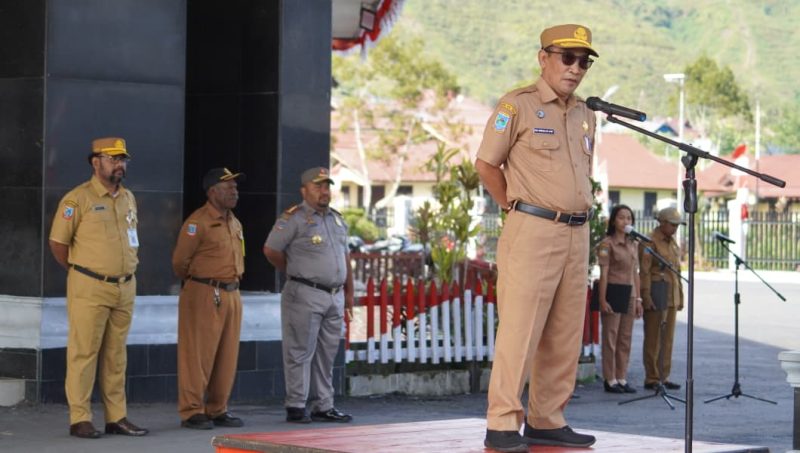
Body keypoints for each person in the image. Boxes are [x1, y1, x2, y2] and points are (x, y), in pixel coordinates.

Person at [475, 23, 599, 451]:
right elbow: (486, 164)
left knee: (565, 333)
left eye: (584, 61)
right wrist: (513, 206)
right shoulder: (518, 105)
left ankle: (547, 418)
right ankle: (502, 423)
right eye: (567, 58)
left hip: (577, 233)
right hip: (533, 229)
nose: (576, 68)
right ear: (543, 58)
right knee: (521, 330)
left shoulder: (585, 113)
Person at [48, 137, 148, 439]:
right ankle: (80, 418)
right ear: (96, 162)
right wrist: (82, 272)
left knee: (116, 356)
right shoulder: (77, 199)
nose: (119, 165)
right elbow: (58, 244)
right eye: (113, 159)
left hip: (124, 286)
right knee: (84, 353)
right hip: (90, 285)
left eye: (123, 159)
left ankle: (116, 417)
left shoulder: (128, 198)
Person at [263, 167, 354, 424]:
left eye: (327, 186)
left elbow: (345, 257)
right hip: (304, 293)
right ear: (304, 191)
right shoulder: (293, 218)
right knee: (299, 351)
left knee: (326, 353)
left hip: (334, 295)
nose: (324, 192)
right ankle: (296, 404)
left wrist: (349, 292)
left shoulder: (337, 219)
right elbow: (271, 250)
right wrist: (294, 270)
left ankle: (323, 405)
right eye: (318, 186)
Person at [172, 168, 246, 429]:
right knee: (197, 354)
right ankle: (192, 410)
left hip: (232, 292)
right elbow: (180, 262)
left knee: (227, 355)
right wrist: (200, 283)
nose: (235, 191)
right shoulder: (198, 222)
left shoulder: (234, 222)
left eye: (236, 187)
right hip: (204, 291)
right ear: (212, 191)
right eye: (228, 187)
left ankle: (217, 408)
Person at [596, 205, 643, 394]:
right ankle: (610, 379)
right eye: (621, 218)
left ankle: (622, 377)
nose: (626, 221)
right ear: (614, 221)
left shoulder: (633, 244)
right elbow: (604, 274)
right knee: (611, 337)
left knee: (625, 337)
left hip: (629, 294)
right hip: (613, 292)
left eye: (629, 218)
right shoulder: (607, 244)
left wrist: (638, 299)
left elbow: (635, 272)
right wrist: (602, 300)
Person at [639, 206, 685, 390]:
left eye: (677, 225)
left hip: (671, 294)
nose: (675, 228)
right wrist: (645, 295)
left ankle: (664, 376)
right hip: (656, 292)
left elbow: (677, 271)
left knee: (668, 338)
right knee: (654, 337)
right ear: (662, 223)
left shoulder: (672, 243)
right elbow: (644, 271)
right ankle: (652, 377)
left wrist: (680, 296)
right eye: (673, 225)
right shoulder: (649, 241)